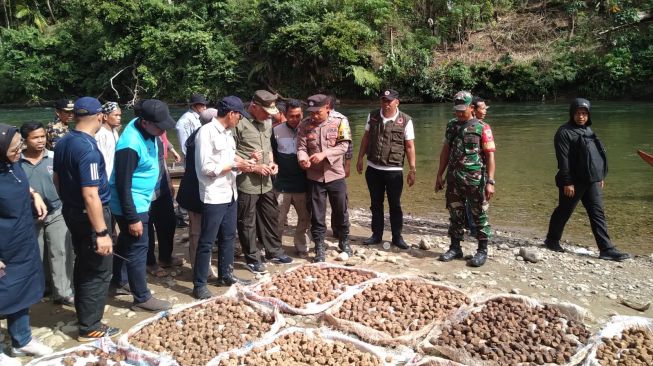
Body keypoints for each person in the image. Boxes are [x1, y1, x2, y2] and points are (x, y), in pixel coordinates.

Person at [53, 97, 120, 341]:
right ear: (100, 116)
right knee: (100, 270)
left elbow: (57, 179)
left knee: (83, 262)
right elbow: (90, 193)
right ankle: (90, 326)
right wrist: (102, 232)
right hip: (91, 213)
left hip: (72, 211)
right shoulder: (88, 149)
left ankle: (84, 314)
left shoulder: (64, 142)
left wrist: (69, 204)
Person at [544, 98, 630, 261]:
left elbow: (595, 155)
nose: (581, 117)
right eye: (578, 113)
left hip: (592, 181)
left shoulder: (588, 131)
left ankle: (606, 249)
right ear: (572, 114)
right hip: (573, 182)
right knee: (564, 211)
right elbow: (563, 160)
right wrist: (567, 182)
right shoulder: (564, 132)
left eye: (584, 113)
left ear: (588, 115)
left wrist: (600, 176)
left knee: (597, 213)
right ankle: (552, 240)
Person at [109, 99, 175, 312]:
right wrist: (133, 218)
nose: (163, 129)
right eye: (160, 126)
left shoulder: (148, 130)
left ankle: (118, 280)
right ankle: (142, 298)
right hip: (132, 203)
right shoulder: (129, 145)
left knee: (126, 243)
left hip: (144, 198)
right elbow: (122, 185)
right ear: (145, 122)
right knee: (138, 248)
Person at [0, 124, 53, 364]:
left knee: (22, 290)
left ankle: (22, 339)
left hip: (21, 240)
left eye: (21, 144)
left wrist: (34, 194)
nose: (20, 150)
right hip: (2, 248)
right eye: (14, 148)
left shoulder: (12, 165)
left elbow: (19, 183)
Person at [193, 97, 254, 299]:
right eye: (239, 115)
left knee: (228, 236)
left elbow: (231, 156)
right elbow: (207, 168)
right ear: (231, 114)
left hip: (230, 192)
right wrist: (237, 166)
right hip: (214, 194)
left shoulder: (228, 133)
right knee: (207, 241)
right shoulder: (206, 133)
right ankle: (199, 284)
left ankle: (226, 275)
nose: (240, 119)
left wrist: (246, 161)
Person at [234, 90, 293, 274]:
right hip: (247, 181)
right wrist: (253, 167)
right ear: (254, 106)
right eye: (266, 111)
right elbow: (228, 152)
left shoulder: (267, 121)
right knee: (247, 221)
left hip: (266, 180)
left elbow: (267, 148)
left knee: (270, 215)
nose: (269, 116)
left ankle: (273, 250)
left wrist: (272, 163)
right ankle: (252, 257)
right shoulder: (239, 122)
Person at [435, 91, 496, 267]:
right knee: (455, 214)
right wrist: (439, 174)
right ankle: (455, 247)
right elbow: (445, 151)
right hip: (454, 179)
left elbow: (490, 157)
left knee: (479, 215)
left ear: (471, 108)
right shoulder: (452, 126)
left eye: (463, 109)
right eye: (457, 110)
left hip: (475, 180)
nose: (459, 113)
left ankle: (482, 250)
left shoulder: (482, 127)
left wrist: (491, 182)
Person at [19, 122, 75, 306]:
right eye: (35, 137)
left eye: (43, 136)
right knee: (38, 253)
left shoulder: (53, 158)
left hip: (56, 210)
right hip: (29, 215)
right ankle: (43, 287)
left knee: (59, 251)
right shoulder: (17, 162)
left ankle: (63, 292)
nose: (41, 141)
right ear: (25, 140)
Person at [356, 89, 415, 249]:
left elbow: (409, 146)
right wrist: (360, 158)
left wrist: (412, 169)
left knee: (395, 205)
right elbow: (366, 138)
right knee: (376, 204)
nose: (386, 104)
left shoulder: (406, 120)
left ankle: (397, 237)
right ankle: (376, 235)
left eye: (389, 101)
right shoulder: (373, 116)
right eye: (384, 100)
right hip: (373, 169)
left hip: (394, 171)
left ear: (397, 102)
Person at [297, 94, 352, 262]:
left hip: (335, 174)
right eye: (311, 112)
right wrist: (302, 159)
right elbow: (301, 147)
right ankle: (319, 246)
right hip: (314, 177)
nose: (314, 116)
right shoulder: (304, 125)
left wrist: (324, 154)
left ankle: (344, 241)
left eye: (318, 112)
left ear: (327, 107)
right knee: (317, 214)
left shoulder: (340, 121)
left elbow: (344, 146)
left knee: (340, 210)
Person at [177, 108, 218, 277]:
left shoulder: (199, 134)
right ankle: (198, 269)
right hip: (195, 192)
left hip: (200, 191)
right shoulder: (200, 138)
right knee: (196, 232)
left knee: (203, 231)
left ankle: (202, 266)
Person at [272, 99, 311, 259]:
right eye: (291, 116)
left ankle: (302, 246)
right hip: (282, 184)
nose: (294, 120)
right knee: (278, 219)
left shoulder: (309, 129)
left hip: (303, 184)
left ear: (302, 114)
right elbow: (272, 154)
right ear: (284, 115)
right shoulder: (276, 131)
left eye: (298, 116)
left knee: (305, 218)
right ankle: (275, 248)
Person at [145, 131, 184, 277]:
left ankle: (165, 257)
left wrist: (168, 183)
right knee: (147, 227)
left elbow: (162, 161)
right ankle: (150, 262)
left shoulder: (159, 135)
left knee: (168, 222)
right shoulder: (136, 138)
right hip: (146, 191)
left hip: (162, 187)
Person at [327, 95, 353, 239]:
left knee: (339, 199)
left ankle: (339, 230)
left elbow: (347, 144)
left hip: (336, 166)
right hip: (329, 167)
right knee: (339, 200)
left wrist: (347, 165)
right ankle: (338, 230)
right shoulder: (315, 118)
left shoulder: (340, 119)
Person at [465, 96, 489, 237]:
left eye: (486, 108)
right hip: (473, 170)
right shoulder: (474, 127)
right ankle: (474, 227)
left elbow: (489, 153)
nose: (485, 110)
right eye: (482, 108)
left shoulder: (484, 127)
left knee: (474, 198)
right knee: (474, 198)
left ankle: (471, 225)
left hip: (481, 168)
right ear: (473, 110)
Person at [175, 93, 208, 160]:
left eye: (205, 105)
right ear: (193, 106)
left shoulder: (200, 118)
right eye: (201, 105)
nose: (205, 107)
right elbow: (184, 146)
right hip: (192, 160)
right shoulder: (184, 121)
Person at [95, 102, 122, 178]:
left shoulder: (114, 131)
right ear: (105, 117)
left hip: (115, 176)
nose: (119, 118)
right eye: (116, 115)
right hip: (106, 178)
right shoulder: (100, 134)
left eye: (120, 115)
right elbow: (101, 160)